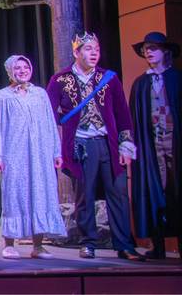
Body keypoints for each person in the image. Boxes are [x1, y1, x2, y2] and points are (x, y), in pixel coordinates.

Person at [47, 32, 145, 261]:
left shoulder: (109, 78)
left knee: (119, 194)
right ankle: (88, 243)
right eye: (88, 49)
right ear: (76, 52)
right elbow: (48, 114)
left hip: (108, 144)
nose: (94, 53)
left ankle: (124, 245)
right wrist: (58, 140)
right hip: (80, 145)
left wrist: (126, 145)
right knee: (85, 194)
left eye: (97, 49)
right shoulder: (60, 80)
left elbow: (122, 112)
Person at [0, 55, 67, 259]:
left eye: (26, 67)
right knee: (14, 194)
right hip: (14, 154)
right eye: (18, 68)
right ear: (10, 71)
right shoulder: (2, 96)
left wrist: (56, 151)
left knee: (40, 195)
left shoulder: (40, 94)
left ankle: (38, 246)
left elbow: (50, 123)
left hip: (40, 153)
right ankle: (9, 244)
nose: (23, 71)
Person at [129, 32, 182, 260]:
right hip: (152, 143)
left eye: (153, 47)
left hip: (175, 141)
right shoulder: (142, 83)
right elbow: (134, 117)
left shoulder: (177, 79)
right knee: (154, 190)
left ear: (165, 51)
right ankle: (157, 245)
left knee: (177, 189)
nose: (148, 52)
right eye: (146, 48)